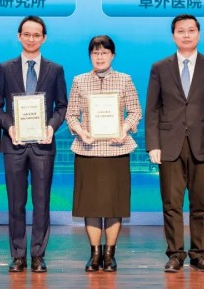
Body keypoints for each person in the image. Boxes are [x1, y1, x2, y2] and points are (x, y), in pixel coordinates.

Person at [145, 14, 204, 273]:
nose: (186, 35)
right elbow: (152, 109)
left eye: (191, 30)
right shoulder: (160, 67)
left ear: (198, 34)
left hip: (203, 143)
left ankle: (199, 254)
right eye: (181, 31)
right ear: (173, 36)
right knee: (171, 203)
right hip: (169, 145)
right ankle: (175, 254)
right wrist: (153, 144)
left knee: (200, 203)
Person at [0, 16, 68, 273]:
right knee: (16, 202)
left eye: (36, 35)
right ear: (19, 36)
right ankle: (18, 255)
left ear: (44, 38)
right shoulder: (5, 68)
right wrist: (9, 126)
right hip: (14, 144)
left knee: (42, 203)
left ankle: (37, 255)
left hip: (43, 146)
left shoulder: (55, 69)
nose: (31, 39)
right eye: (27, 34)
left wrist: (51, 127)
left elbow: (62, 106)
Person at [65, 35, 142, 273]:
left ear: (112, 55)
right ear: (90, 56)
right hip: (88, 150)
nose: (100, 57)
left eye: (104, 53)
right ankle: (94, 254)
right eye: (96, 53)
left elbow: (135, 111)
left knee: (113, 205)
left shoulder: (124, 79)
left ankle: (110, 254)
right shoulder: (79, 81)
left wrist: (124, 129)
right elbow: (70, 115)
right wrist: (81, 131)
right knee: (91, 205)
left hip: (116, 149)